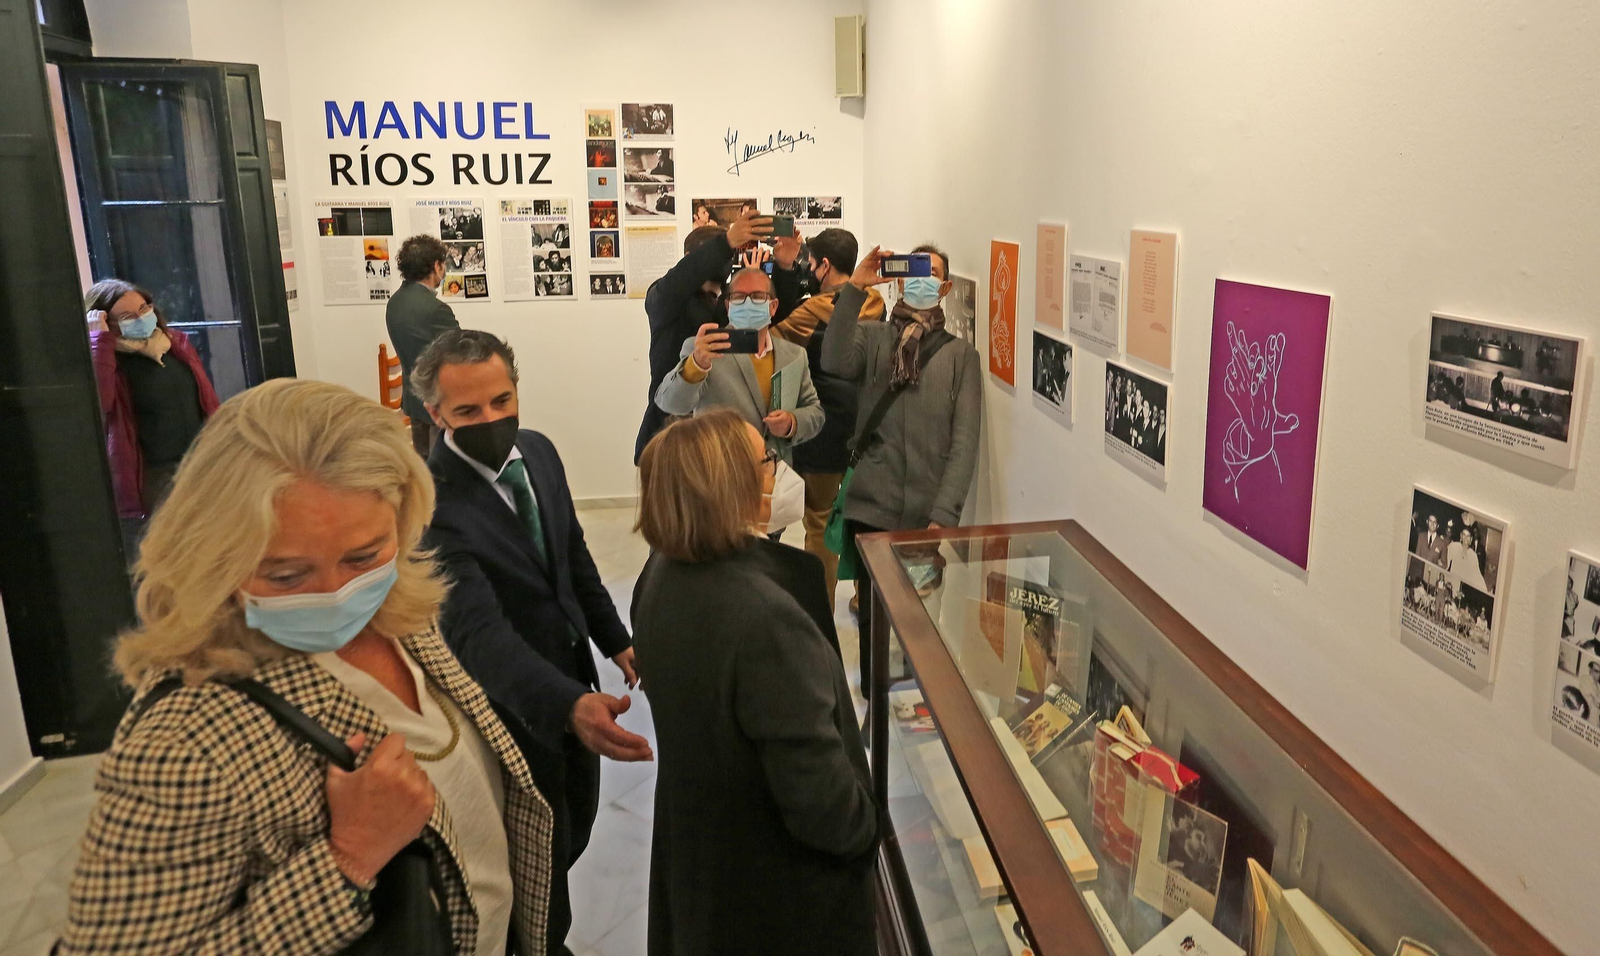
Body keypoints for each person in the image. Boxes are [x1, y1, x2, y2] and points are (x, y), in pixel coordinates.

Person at [57, 379, 554, 956]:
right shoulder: (184, 745)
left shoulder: (400, 619)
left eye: (363, 557)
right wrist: (348, 859)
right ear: (215, 556)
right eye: (287, 575)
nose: (336, 595)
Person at [413, 330, 651, 955]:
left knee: (576, 819)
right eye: (467, 411)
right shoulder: (432, 505)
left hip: (571, 672)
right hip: (512, 701)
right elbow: (476, 633)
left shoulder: (539, 453)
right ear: (436, 415)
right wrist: (566, 706)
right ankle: (540, 941)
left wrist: (613, 636)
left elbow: (571, 554)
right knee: (533, 843)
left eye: (501, 401)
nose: (490, 419)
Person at [630, 409, 877, 956]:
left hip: (705, 869)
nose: (776, 473)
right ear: (731, 485)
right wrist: (869, 829)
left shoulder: (660, 576)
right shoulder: (765, 618)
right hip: (776, 900)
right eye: (767, 463)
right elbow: (822, 802)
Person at [823, 244, 982, 690]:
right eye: (913, 270)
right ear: (897, 277)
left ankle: (913, 705)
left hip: (923, 515)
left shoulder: (960, 358)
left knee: (919, 620)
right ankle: (876, 706)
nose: (922, 279)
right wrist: (854, 289)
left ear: (945, 286)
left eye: (931, 272)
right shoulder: (874, 338)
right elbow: (833, 359)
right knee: (873, 615)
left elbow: (965, 442)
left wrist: (943, 518)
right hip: (872, 504)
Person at [770, 228, 885, 606]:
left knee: (819, 523)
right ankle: (862, 597)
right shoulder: (877, 304)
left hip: (821, 431)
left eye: (811, 261)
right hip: (866, 427)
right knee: (861, 518)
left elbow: (773, 340)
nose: (807, 267)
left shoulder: (812, 311)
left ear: (824, 265)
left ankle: (822, 609)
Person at [635, 209, 798, 462]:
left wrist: (780, 270)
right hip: (670, 433)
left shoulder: (726, 304)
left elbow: (772, 319)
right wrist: (727, 241)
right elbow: (680, 280)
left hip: (718, 439)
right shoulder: (666, 300)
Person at [84, 279, 221, 557]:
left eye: (144, 308)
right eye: (127, 316)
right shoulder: (106, 361)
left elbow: (204, 399)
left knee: (210, 552)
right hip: (154, 478)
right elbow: (97, 403)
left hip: (198, 465)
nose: (141, 318)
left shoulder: (172, 344)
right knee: (168, 560)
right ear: (106, 322)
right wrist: (98, 341)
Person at [655, 266, 824, 473]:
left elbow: (815, 411)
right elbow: (671, 404)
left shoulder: (794, 355)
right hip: (720, 474)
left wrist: (792, 423)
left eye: (757, 296)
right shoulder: (704, 349)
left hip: (776, 474)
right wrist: (696, 364)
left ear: (773, 306)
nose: (747, 303)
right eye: (738, 297)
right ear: (728, 306)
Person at [386, 234, 460, 455]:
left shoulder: (395, 302)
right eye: (443, 265)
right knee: (443, 470)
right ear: (436, 266)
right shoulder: (435, 309)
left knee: (424, 467)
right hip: (439, 403)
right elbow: (459, 353)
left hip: (415, 400)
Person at [1448, 527, 1488, 592]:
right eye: (1464, 535)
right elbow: (1445, 563)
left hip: (1465, 588)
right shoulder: (1453, 546)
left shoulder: (1473, 555)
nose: (1466, 538)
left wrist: (1484, 590)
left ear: (1471, 539)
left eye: (1468, 536)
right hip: (1452, 582)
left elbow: (1477, 574)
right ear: (1460, 536)